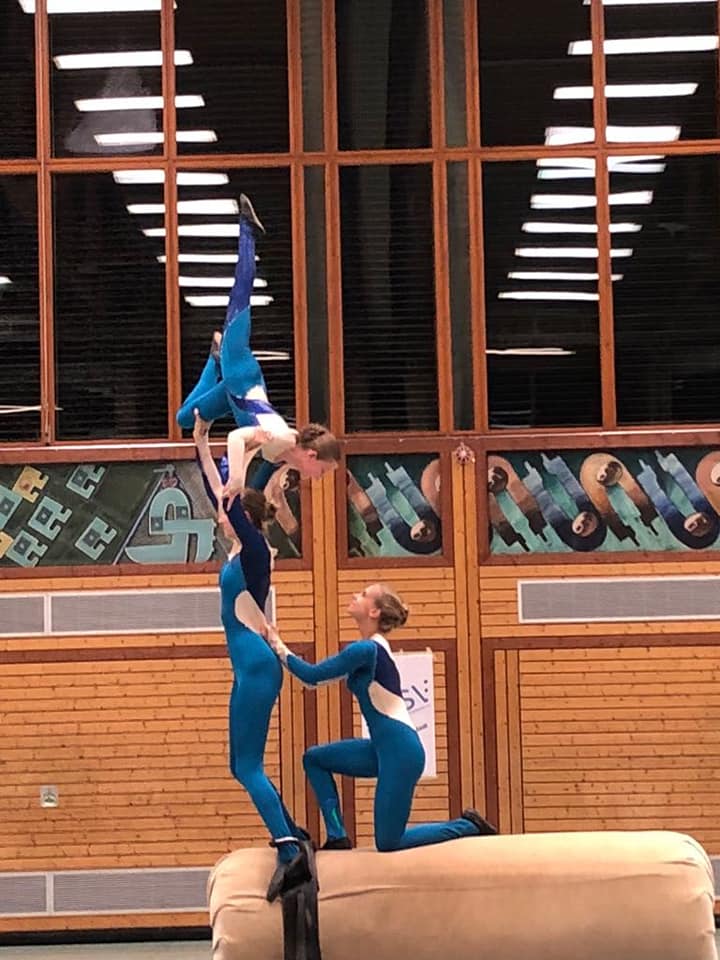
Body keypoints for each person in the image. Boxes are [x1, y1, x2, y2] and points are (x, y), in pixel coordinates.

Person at [268, 582, 497, 852]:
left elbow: (312, 677)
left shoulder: (367, 650)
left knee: (389, 842)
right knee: (314, 758)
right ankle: (337, 835)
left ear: (374, 612)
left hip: (400, 752)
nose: (355, 595)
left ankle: (467, 825)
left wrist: (276, 644)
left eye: (364, 594)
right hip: (382, 748)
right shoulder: (371, 649)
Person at [193, 412, 311, 900]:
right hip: (250, 668)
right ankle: (292, 834)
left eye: (228, 510)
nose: (220, 512)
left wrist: (254, 456)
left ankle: (289, 850)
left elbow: (230, 495)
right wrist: (201, 439)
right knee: (239, 763)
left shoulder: (257, 550)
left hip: (258, 667)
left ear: (241, 515)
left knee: (248, 767)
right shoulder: (243, 550)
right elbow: (220, 489)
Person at [177, 194, 340, 502]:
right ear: (311, 455)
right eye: (322, 471)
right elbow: (237, 437)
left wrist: (247, 497)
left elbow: (254, 479)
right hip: (242, 374)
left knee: (185, 419)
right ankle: (247, 229)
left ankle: (215, 359)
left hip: (233, 394)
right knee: (240, 299)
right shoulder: (281, 438)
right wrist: (237, 478)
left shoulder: (280, 455)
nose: (319, 478)